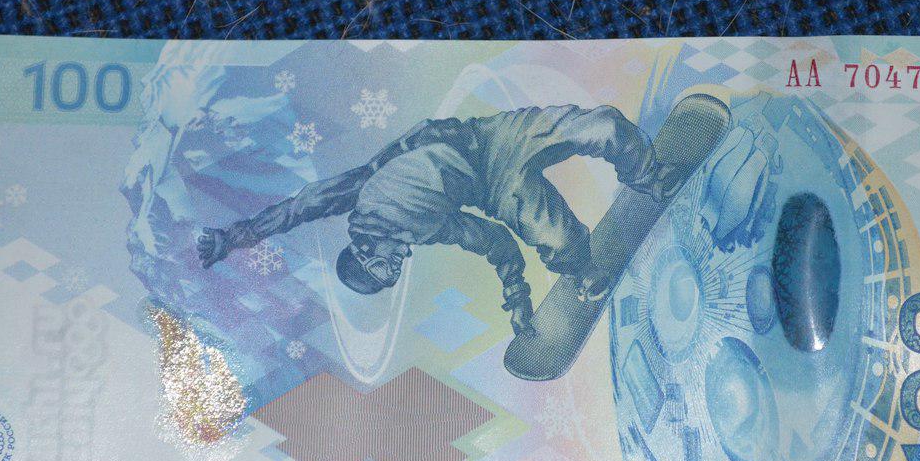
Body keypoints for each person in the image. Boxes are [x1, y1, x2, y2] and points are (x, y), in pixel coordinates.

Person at [197, 105, 686, 336]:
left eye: (382, 269)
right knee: (561, 243)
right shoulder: (427, 230)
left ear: (364, 252)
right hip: (497, 188)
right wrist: (518, 298)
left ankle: (651, 177)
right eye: (390, 278)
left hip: (492, 137)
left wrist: (233, 237)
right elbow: (493, 241)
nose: (395, 268)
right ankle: (586, 275)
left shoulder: (365, 193)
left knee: (604, 126)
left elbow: (300, 205)